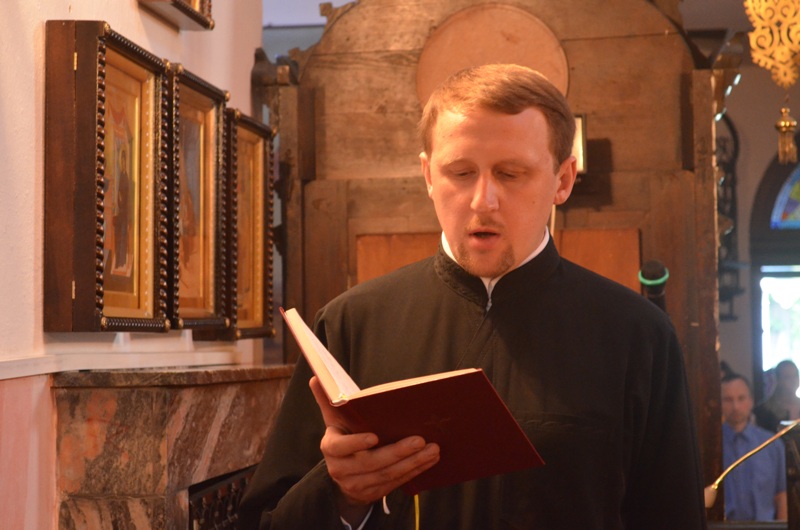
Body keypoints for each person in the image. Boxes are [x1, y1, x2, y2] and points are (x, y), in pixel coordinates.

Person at [237, 63, 707, 529]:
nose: (483, 200)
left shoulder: (637, 335)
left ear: (563, 179)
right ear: (428, 175)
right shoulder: (351, 323)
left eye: (511, 173)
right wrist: (341, 495)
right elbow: (266, 521)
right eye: (461, 172)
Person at [721, 373, 787, 521]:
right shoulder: (712, 447)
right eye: (728, 400)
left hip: (765, 526)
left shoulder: (771, 444)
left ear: (751, 401)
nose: (735, 406)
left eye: (741, 398)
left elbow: (781, 495)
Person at [755, 359, 800, 432]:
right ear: (778, 380)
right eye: (787, 377)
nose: (793, 380)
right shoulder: (764, 411)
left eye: (795, 376)